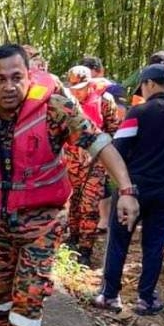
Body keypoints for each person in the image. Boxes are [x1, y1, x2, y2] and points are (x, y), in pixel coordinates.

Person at [0, 45, 139, 326]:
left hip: (42, 222)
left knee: (29, 293)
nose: (10, 86)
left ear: (29, 76)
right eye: (0, 79)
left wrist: (126, 189)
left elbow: (99, 143)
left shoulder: (56, 109)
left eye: (17, 77)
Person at [94, 63, 164, 316]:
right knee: (154, 243)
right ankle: (146, 298)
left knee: (119, 240)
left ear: (149, 84)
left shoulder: (138, 113)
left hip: (133, 188)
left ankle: (109, 295)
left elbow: (118, 148)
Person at [63, 65, 122, 266]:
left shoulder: (105, 102)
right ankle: (73, 238)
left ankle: (86, 248)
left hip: (95, 162)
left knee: (89, 205)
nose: (77, 92)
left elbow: (114, 131)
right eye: (73, 88)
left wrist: (98, 151)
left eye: (80, 87)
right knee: (74, 202)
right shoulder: (66, 103)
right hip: (71, 160)